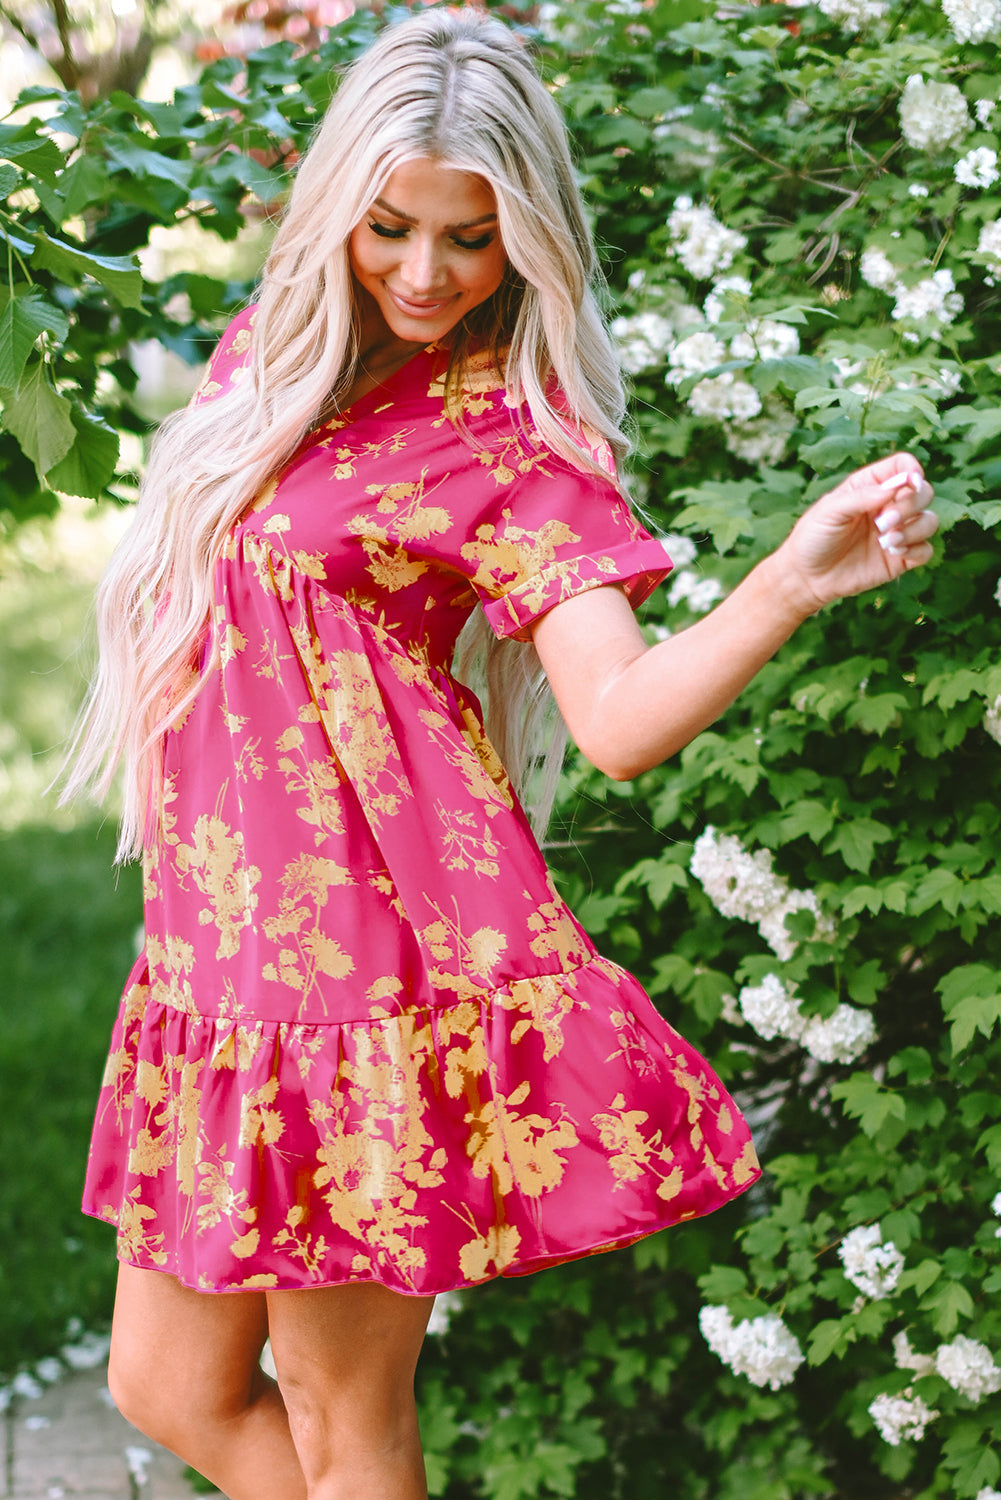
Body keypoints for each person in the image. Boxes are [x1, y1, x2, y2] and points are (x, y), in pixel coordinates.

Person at [64, 9, 938, 1499]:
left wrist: (786, 584)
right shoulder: (268, 358)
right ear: (338, 210)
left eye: (471, 239)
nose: (425, 273)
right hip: (219, 944)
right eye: (391, 228)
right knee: (166, 1387)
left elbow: (616, 721)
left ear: (525, 237)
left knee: (343, 1418)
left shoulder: (510, 441)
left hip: (360, 972)